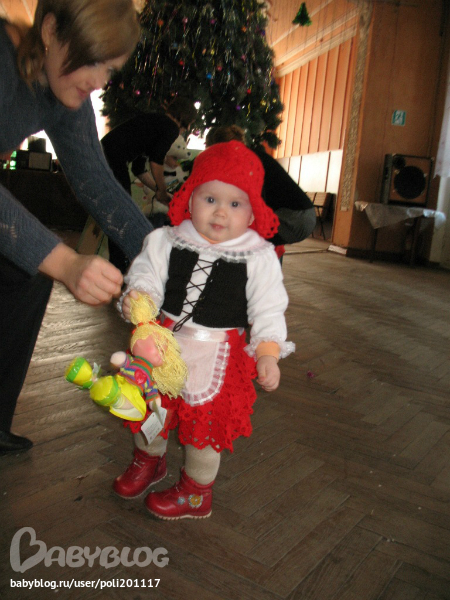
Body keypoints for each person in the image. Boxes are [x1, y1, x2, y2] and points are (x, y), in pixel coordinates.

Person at [0, 0, 153, 454]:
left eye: (110, 70)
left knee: (26, 276)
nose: (100, 81)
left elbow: (96, 184)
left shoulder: (62, 89)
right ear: (51, 31)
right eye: (93, 62)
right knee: (39, 265)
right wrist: (66, 262)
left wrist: (163, 256)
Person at [114, 140, 295, 520]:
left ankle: (196, 492)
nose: (220, 212)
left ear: (252, 211)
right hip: (162, 344)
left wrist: (268, 352)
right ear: (190, 198)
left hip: (218, 353)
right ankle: (149, 460)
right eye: (210, 199)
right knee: (151, 410)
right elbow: (147, 272)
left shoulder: (258, 256)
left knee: (204, 431)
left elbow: (268, 307)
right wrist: (140, 296)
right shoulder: (167, 239)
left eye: (235, 204)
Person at [101, 98, 198, 272]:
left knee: (120, 211)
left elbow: (139, 169)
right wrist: (162, 189)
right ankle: (118, 264)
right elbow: (156, 161)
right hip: (113, 158)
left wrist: (160, 192)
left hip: (107, 154)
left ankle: (118, 262)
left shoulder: (154, 124)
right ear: (186, 120)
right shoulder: (170, 127)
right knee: (121, 211)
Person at [205, 125, 316, 257]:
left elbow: (252, 202)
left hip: (294, 218)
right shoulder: (250, 155)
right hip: (301, 214)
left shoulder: (246, 161)